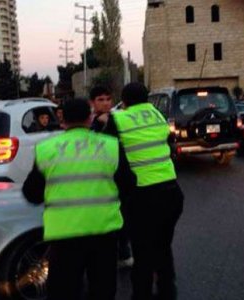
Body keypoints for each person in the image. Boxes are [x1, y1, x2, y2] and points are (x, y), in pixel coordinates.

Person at [22, 98, 136, 300]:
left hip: (64, 237)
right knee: (103, 291)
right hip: (104, 233)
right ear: (90, 117)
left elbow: (31, 193)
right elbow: (128, 183)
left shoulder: (46, 149)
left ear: (62, 120)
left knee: (64, 292)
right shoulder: (111, 146)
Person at [104, 83, 184, 300]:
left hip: (143, 198)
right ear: (147, 98)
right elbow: (169, 145)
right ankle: (168, 292)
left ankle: (142, 294)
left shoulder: (118, 119)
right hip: (172, 193)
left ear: (124, 101)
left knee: (143, 253)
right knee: (163, 248)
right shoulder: (157, 115)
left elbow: (107, 155)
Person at [89, 85, 135, 268]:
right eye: (101, 99)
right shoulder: (93, 122)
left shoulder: (116, 120)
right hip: (100, 179)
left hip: (118, 177)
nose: (106, 103)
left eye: (108, 99)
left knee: (120, 217)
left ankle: (123, 253)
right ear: (92, 103)